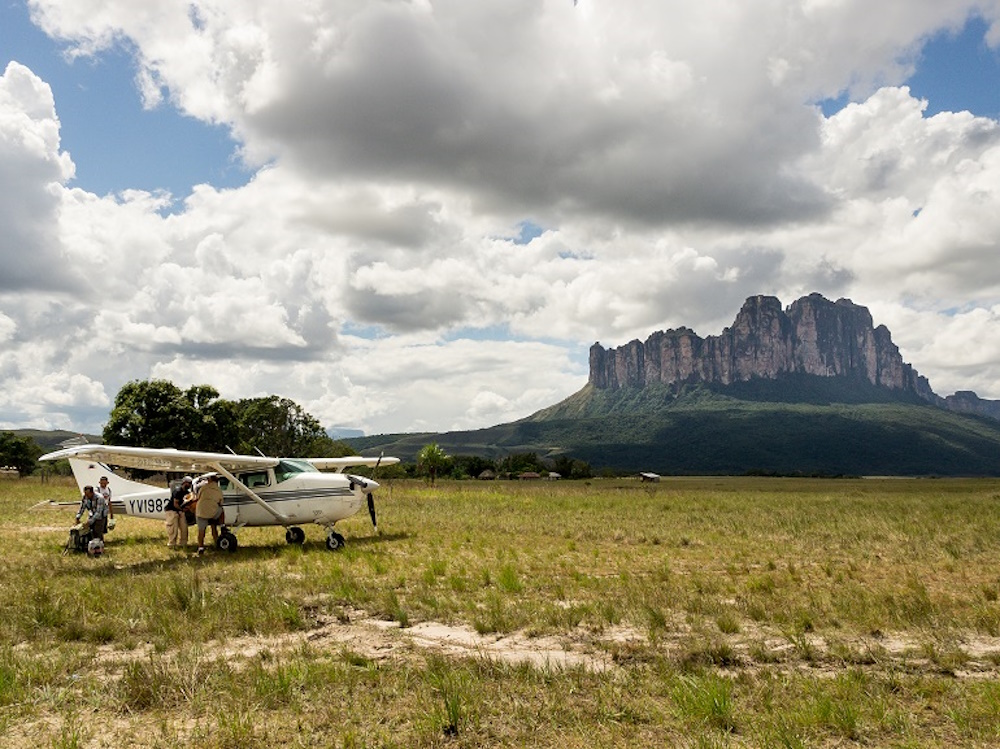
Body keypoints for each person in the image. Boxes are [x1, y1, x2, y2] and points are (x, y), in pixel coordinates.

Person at [195, 473, 225, 555]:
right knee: (220, 513)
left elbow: (198, 497)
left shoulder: (203, 488)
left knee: (201, 531)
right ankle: (222, 527)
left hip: (201, 512)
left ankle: (200, 548)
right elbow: (221, 502)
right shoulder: (218, 490)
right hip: (212, 512)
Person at [166, 475, 192, 549]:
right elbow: (175, 503)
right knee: (173, 528)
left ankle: (183, 544)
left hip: (180, 511)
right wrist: (182, 510)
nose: (189, 485)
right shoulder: (177, 491)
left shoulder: (187, 493)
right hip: (172, 510)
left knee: (184, 528)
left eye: (190, 483)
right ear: (184, 483)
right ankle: (172, 544)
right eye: (188, 483)